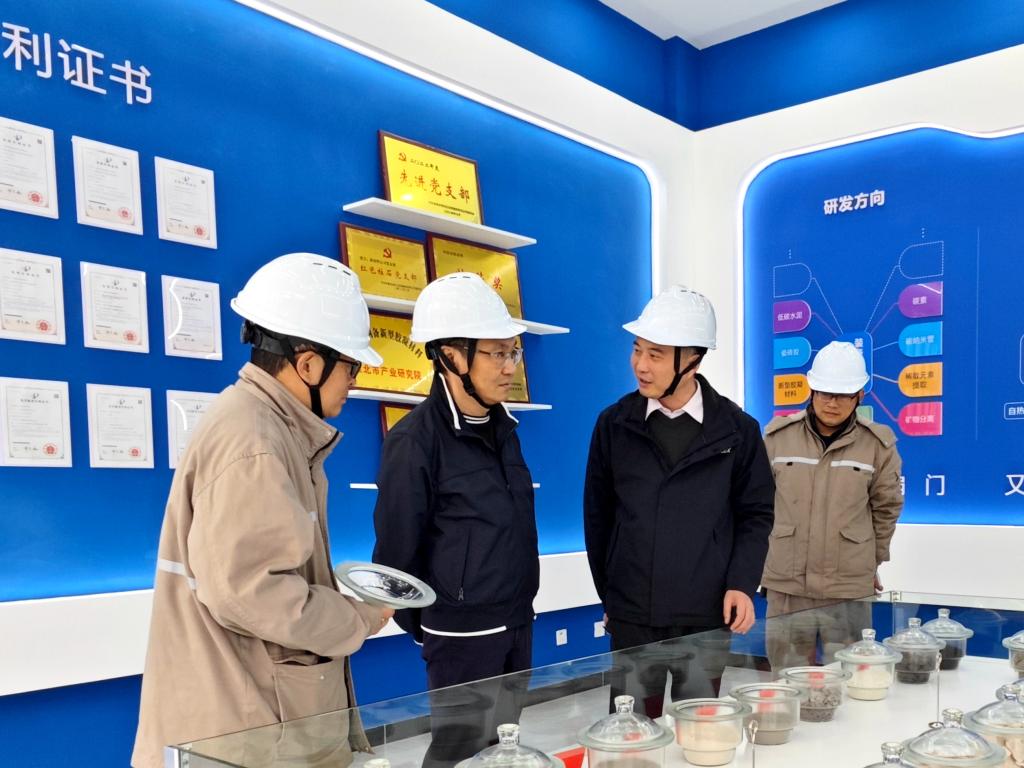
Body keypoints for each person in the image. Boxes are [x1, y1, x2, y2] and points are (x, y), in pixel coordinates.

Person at [132, 253, 394, 768]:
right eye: (351, 366)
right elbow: (251, 592)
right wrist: (358, 617)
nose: (354, 381)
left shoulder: (264, 427)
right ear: (308, 364)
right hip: (246, 724)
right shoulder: (255, 440)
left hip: (254, 716)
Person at [583, 285, 775, 716]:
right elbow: (598, 518)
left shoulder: (738, 431)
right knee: (632, 730)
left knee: (700, 729)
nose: (640, 365)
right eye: (637, 350)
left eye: (655, 354)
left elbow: (755, 514)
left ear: (692, 361)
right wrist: (611, 597)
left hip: (706, 612)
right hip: (633, 613)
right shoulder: (614, 425)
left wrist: (741, 583)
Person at [372, 272, 538, 765]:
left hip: (517, 621)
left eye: (513, 352)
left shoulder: (505, 429)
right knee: (457, 752)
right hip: (461, 635)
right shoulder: (414, 442)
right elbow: (397, 552)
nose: (509, 367)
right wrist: (437, 623)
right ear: (451, 356)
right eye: (496, 353)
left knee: (503, 749)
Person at [762, 340, 903, 668]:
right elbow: (757, 505)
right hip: (787, 584)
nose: (832, 402)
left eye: (843, 395)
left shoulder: (877, 445)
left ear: (859, 396)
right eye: (825, 392)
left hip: (847, 586)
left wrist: (871, 562)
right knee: (787, 677)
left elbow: (886, 508)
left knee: (851, 676)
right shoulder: (777, 439)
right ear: (811, 390)